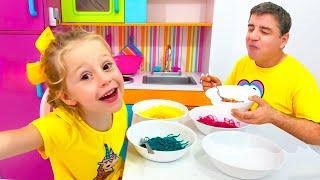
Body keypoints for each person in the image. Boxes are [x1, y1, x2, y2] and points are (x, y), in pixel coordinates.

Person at [0, 29, 128, 180]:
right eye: (86, 76)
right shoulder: (61, 127)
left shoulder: (116, 106)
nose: (105, 79)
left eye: (106, 66)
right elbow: (10, 142)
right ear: (67, 96)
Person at [201, 2, 320, 145]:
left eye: (264, 31)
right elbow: (231, 107)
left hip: (277, 157)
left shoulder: (301, 78)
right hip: (239, 146)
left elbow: (317, 134)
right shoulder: (243, 63)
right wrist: (218, 92)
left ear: (283, 40)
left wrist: (274, 117)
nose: (253, 36)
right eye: (251, 29)